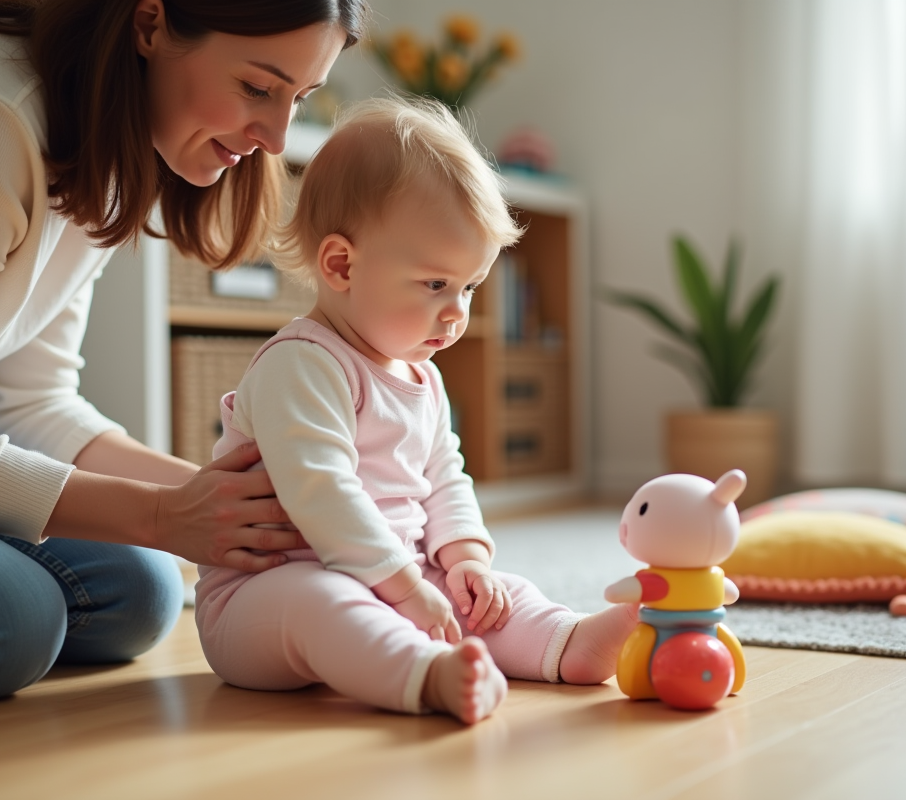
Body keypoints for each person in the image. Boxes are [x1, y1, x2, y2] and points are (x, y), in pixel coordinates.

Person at [0, 0, 367, 703]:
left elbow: (28, 404)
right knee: (2, 623)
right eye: (258, 88)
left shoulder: (102, 138)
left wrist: (254, 505)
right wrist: (164, 516)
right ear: (150, 25)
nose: (276, 137)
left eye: (300, 98)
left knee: (134, 592)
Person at [194, 97, 639, 725]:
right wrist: (405, 588)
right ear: (342, 265)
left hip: (389, 574)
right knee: (323, 602)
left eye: (470, 287)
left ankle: (568, 642)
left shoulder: (422, 379)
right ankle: (423, 675)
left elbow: (444, 478)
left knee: (494, 597)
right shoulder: (301, 364)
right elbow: (320, 491)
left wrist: (464, 561)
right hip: (261, 598)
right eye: (436, 285)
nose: (458, 311)